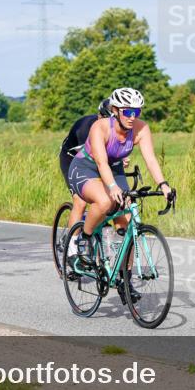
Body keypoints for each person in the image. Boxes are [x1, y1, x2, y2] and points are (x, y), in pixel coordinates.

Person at [66, 87, 173, 269]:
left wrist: (163, 185)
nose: (133, 117)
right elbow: (101, 163)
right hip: (86, 167)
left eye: (137, 112)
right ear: (115, 110)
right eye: (128, 112)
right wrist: (112, 186)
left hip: (114, 169)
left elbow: (151, 159)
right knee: (105, 201)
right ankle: (84, 238)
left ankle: (125, 278)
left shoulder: (141, 128)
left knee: (129, 222)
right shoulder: (100, 127)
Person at [59, 97, 111, 231]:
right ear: (100, 116)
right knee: (80, 202)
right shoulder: (86, 129)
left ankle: (94, 228)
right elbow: (95, 158)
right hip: (72, 159)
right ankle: (72, 244)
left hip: (96, 160)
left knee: (107, 200)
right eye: (107, 120)